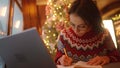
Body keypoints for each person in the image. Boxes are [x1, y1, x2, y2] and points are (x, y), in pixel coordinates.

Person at [55, 0, 120, 66]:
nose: (76, 30)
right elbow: (58, 57)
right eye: (72, 24)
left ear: (93, 22)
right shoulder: (64, 35)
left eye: (82, 26)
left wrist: (106, 58)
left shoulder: (104, 35)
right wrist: (60, 59)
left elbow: (116, 57)